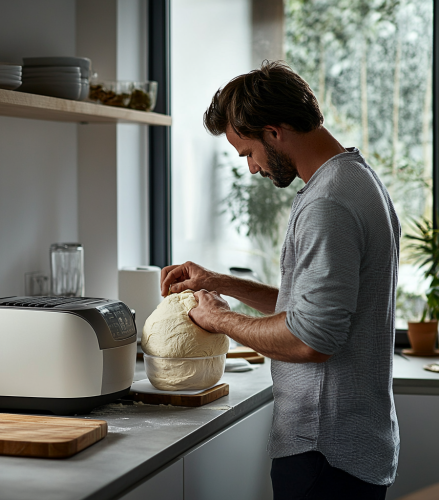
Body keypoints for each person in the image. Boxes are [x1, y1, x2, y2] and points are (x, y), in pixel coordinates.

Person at [160, 61, 399, 500]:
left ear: (273, 132)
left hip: (324, 454)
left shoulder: (328, 202)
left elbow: (312, 339)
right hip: (348, 446)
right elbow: (312, 306)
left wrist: (220, 321)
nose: (252, 168)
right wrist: (220, 283)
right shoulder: (355, 179)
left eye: (247, 152)